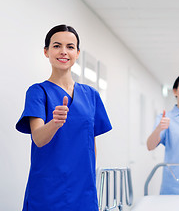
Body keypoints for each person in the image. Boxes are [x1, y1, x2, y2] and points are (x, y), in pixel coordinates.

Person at [16, 24, 112, 210]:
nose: (63, 52)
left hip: (83, 188)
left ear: (77, 53)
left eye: (70, 47)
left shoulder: (91, 95)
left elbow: (90, 143)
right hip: (48, 188)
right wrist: (55, 123)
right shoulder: (38, 92)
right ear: (46, 51)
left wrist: (91, 178)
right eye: (57, 46)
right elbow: (38, 138)